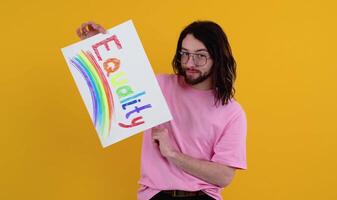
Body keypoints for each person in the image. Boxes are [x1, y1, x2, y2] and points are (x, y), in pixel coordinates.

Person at [76, 20, 247, 200]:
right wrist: (94, 47)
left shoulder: (232, 112)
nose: (190, 63)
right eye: (185, 54)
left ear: (218, 58)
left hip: (203, 196)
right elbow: (113, 86)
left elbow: (224, 176)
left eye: (200, 56)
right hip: (156, 195)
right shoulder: (159, 86)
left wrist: (172, 154)